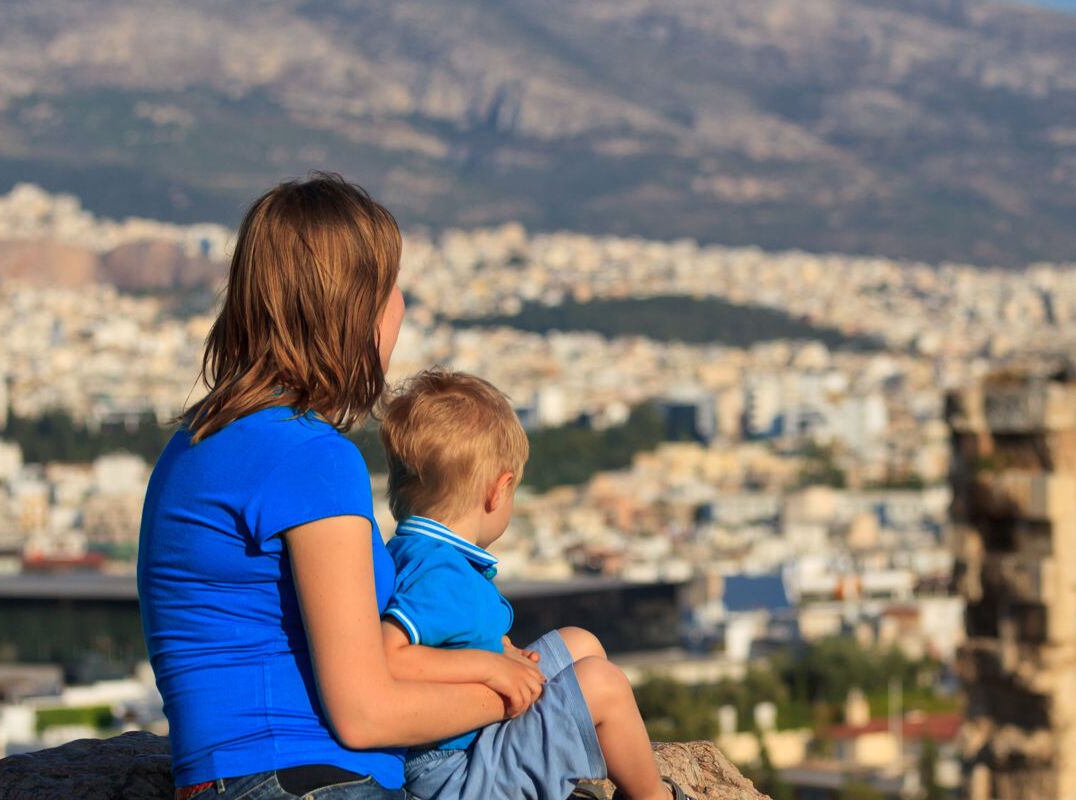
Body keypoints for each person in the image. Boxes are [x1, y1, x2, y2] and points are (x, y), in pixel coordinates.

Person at [138, 174, 544, 800]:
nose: (401, 304)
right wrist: (504, 694)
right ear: (354, 310)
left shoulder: (198, 439)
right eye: (389, 286)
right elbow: (365, 714)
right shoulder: (310, 457)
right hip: (305, 780)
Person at [376, 368, 691, 800]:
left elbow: (444, 640)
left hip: (466, 746)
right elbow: (388, 660)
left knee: (579, 644)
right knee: (602, 683)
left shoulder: (420, 553)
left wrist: (499, 652)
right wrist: (490, 667)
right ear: (497, 491)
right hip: (455, 774)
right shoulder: (440, 573)